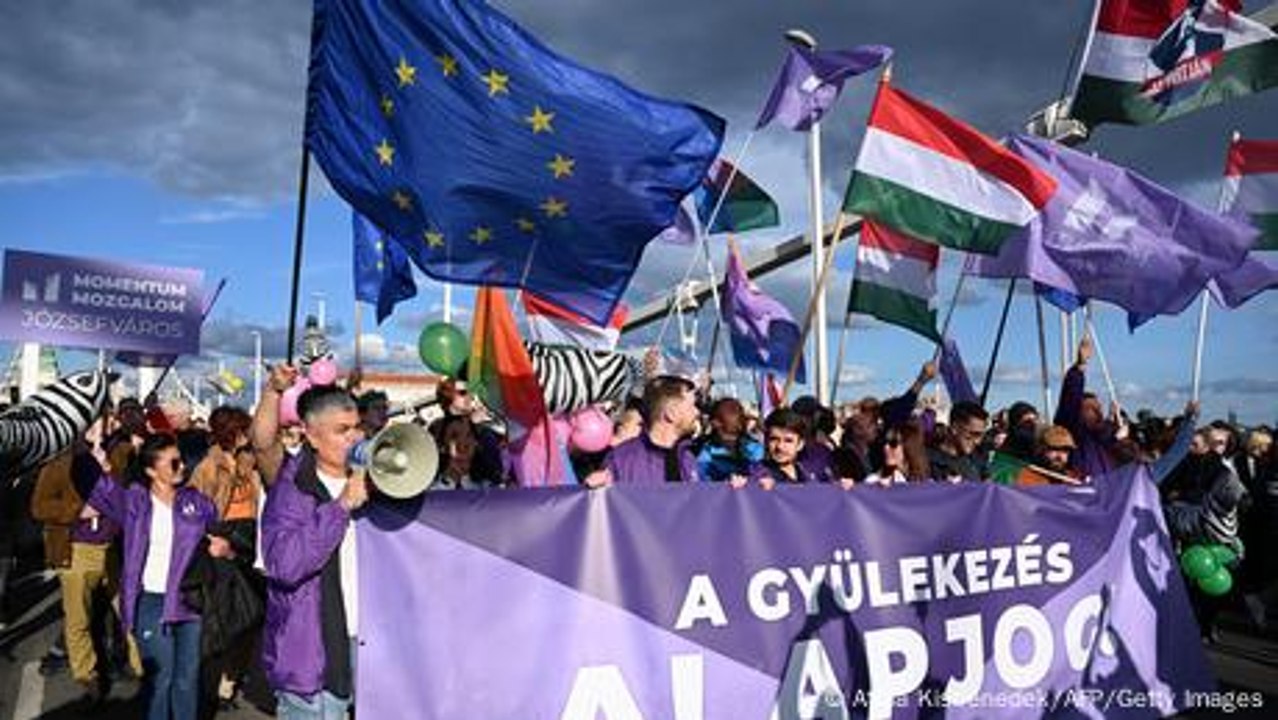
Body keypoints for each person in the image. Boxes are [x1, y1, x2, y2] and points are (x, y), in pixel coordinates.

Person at [82, 433, 228, 720]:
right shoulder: (135, 502)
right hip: (151, 602)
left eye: (181, 461)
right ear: (151, 470)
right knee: (160, 680)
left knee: (187, 680)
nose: (181, 467)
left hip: (191, 601)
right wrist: (81, 451)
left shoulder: (197, 503)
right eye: (173, 463)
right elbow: (99, 488)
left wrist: (225, 548)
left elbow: (220, 538)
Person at [255, 368, 368, 719]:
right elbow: (285, 565)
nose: (354, 438)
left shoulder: (374, 482)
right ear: (312, 436)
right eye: (342, 430)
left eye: (357, 428)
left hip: (370, 643)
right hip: (313, 654)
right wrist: (341, 507)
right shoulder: (291, 488)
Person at [595, 376, 700, 485]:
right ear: (671, 414)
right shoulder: (620, 460)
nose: (697, 412)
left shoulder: (687, 459)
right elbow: (600, 494)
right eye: (691, 406)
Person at [1054, 336, 1120, 478]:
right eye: (1088, 407)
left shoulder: (1105, 436)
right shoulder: (1075, 431)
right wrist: (1080, 366)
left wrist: (1115, 427)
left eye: (1096, 408)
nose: (1093, 411)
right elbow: (1070, 398)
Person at [739, 408, 818, 488]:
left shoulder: (808, 474)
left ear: (800, 444)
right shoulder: (755, 473)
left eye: (788, 441)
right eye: (774, 439)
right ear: (766, 441)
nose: (780, 447)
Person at [694, 397, 762, 483]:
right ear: (715, 424)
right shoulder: (707, 453)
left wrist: (749, 480)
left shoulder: (755, 450)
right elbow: (701, 482)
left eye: (736, 434)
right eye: (727, 434)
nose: (731, 441)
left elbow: (764, 474)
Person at [432, 415, 504, 490]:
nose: (462, 442)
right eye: (454, 436)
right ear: (442, 446)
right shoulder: (430, 487)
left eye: (468, 435)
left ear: (476, 442)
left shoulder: (490, 486)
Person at [928, 401, 989, 483]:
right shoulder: (927, 462)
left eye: (981, 436)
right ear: (955, 428)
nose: (977, 442)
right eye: (973, 434)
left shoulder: (977, 461)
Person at [863, 421, 931, 487]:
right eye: (884, 442)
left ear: (909, 447)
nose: (886, 447)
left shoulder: (928, 485)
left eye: (893, 443)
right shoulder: (873, 482)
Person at [1016, 425, 1084, 486]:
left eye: (1065, 451)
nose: (1060, 456)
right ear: (1042, 449)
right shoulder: (1028, 477)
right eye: (1055, 449)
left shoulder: (1073, 478)